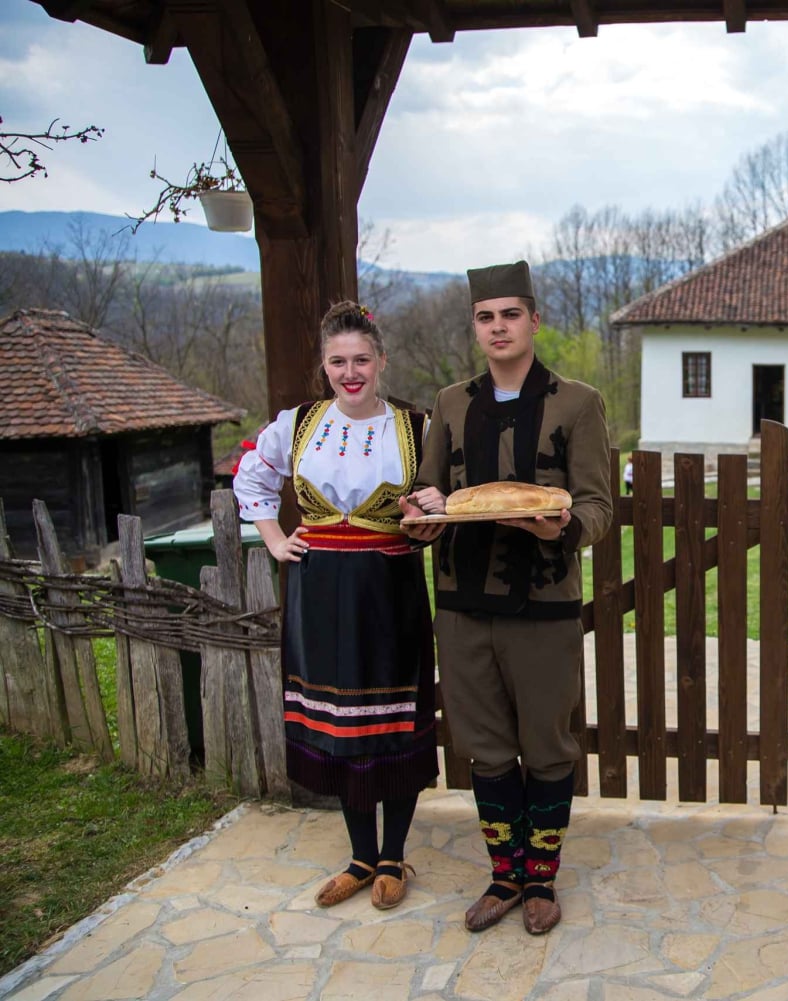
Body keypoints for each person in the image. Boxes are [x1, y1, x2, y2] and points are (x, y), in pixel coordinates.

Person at [401, 261, 612, 936]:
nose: (498, 327)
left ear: (534, 320)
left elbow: (599, 503)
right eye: (486, 317)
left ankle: (542, 879)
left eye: (510, 314)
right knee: (485, 748)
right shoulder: (452, 402)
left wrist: (566, 525)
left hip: (544, 601)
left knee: (548, 747)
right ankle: (505, 874)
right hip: (462, 604)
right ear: (476, 326)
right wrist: (421, 512)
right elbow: (433, 490)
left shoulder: (577, 402)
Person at [234, 301, 436, 912]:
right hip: (318, 589)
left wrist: (428, 518)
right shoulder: (297, 425)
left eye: (361, 360)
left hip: (389, 586)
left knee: (393, 719)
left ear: (381, 362)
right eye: (337, 362)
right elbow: (252, 478)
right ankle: (358, 857)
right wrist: (274, 539)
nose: (350, 372)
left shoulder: (415, 427)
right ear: (324, 365)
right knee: (342, 723)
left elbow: (437, 501)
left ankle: (393, 856)